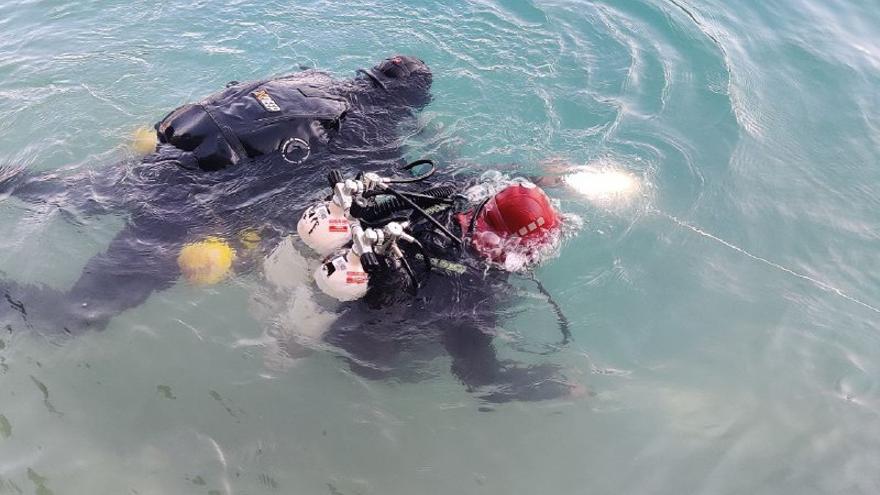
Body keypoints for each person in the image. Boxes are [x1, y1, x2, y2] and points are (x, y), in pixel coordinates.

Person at [0, 55, 433, 335]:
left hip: (169, 159)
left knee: (61, 191)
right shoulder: (373, 137)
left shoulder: (313, 76)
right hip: (193, 204)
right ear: (407, 104)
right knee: (76, 315)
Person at [294, 170, 581, 403]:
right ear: (513, 246)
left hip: (334, 267)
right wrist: (556, 386)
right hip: (351, 342)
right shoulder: (469, 298)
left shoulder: (444, 197)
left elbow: (505, 201)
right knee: (383, 367)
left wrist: (536, 180)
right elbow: (483, 381)